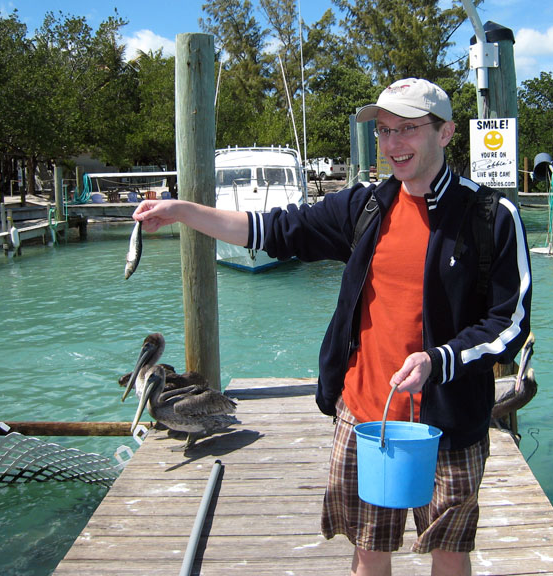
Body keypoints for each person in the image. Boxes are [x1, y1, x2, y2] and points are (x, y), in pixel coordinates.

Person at [132, 78, 532, 576]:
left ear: (447, 132)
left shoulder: (492, 216)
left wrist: (439, 360)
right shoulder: (364, 206)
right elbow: (273, 229)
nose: (392, 145)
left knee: (449, 556)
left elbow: (508, 321)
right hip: (364, 417)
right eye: (384, 131)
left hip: (448, 425)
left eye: (407, 129)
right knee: (367, 553)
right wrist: (182, 212)